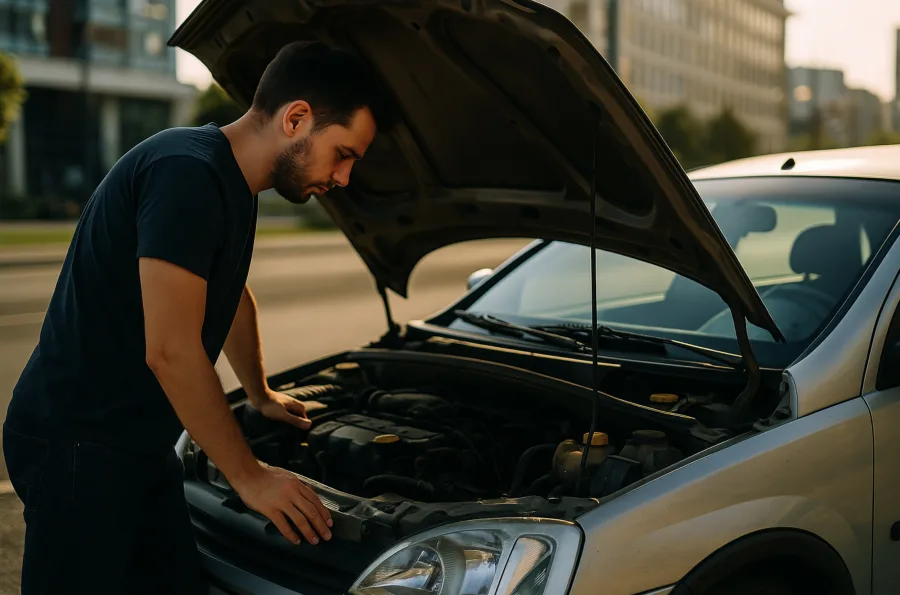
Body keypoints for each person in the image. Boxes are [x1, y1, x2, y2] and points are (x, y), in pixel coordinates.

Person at [2, 40, 392, 594]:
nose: (345, 177)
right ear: (296, 119)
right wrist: (250, 478)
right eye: (345, 153)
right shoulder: (186, 174)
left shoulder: (230, 181)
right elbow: (171, 350)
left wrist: (259, 393)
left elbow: (229, 291)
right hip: (77, 443)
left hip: (136, 440)